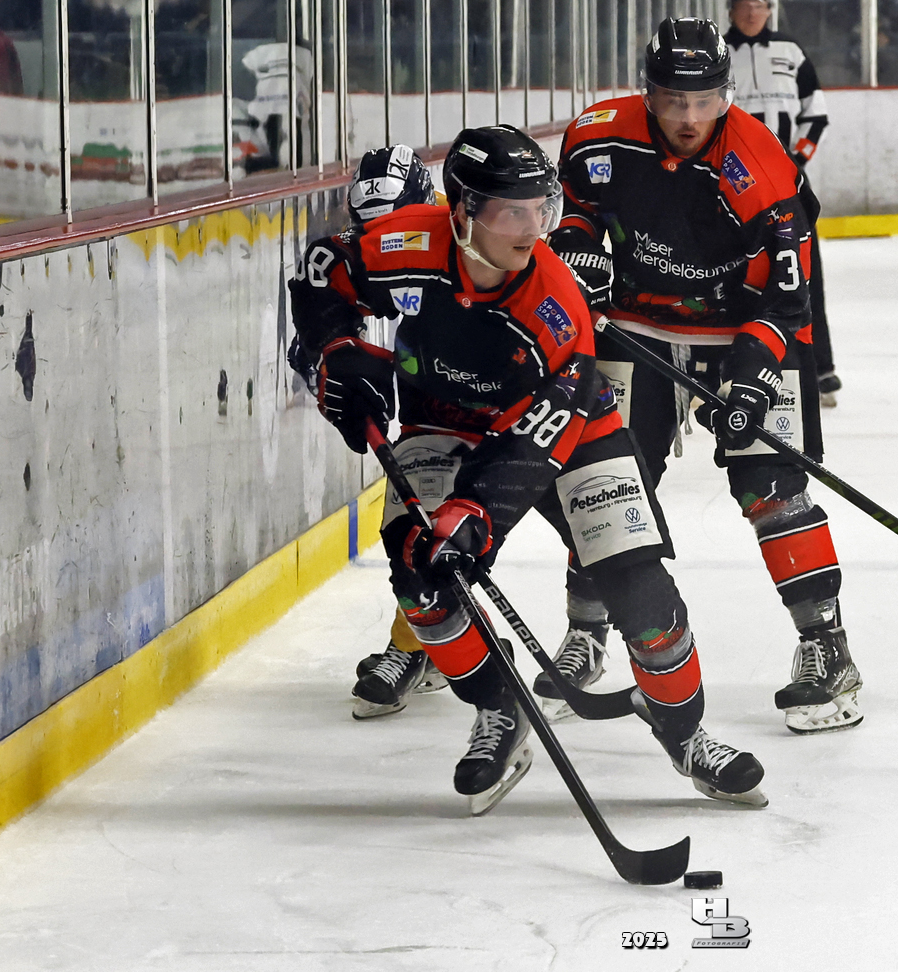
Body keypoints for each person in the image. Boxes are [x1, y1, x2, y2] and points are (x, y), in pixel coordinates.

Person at [287, 133, 767, 813]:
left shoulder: (555, 303)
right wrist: (336, 349)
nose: (531, 228)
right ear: (461, 212)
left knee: (640, 592)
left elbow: (536, 444)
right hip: (444, 419)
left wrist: (476, 512)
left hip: (571, 426)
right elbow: (321, 270)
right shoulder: (407, 242)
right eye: (511, 211)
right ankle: (499, 707)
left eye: (540, 209)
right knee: (421, 578)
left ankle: (685, 733)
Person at [545, 17, 865, 736]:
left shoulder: (762, 165)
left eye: (703, 100)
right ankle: (586, 634)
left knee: (771, 487)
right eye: (672, 100)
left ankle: (827, 647)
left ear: (726, 95)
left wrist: (751, 377)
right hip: (638, 324)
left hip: (746, 326)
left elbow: (789, 298)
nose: (688, 118)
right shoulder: (597, 136)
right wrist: (579, 250)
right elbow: (578, 215)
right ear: (647, 92)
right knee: (607, 481)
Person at [722, 0, 842, 407]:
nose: (751, 12)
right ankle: (724, 366)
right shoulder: (718, 53)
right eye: (744, 5)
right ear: (731, 8)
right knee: (733, 275)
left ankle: (820, 368)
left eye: (758, 5)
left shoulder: (790, 51)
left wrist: (797, 161)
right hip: (732, 189)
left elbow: (817, 114)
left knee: (804, 273)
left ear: (770, 9)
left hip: (788, 185)